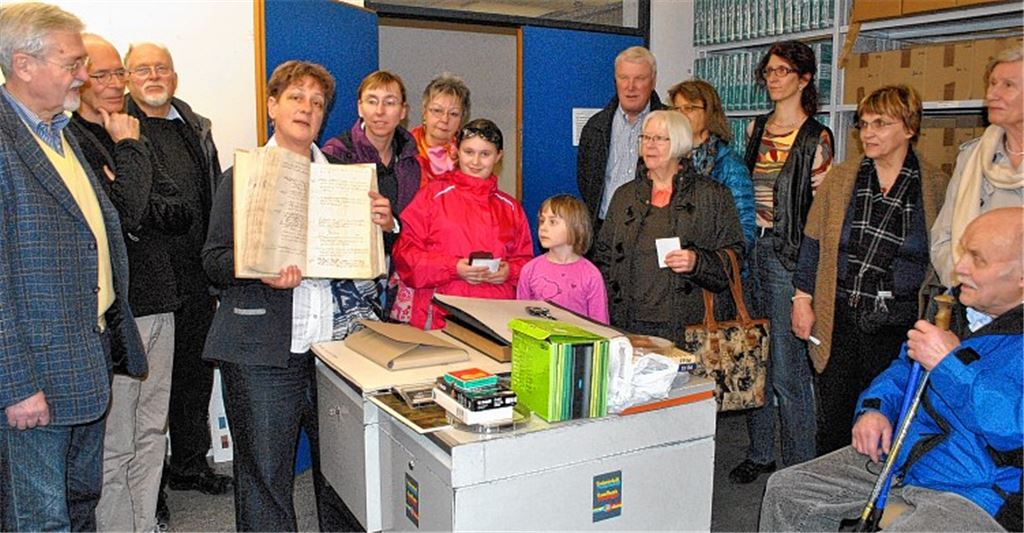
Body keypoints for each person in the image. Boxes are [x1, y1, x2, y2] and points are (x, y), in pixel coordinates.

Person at [760, 207, 1023, 532]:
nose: (959, 267)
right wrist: (876, 408)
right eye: (963, 251)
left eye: (978, 259)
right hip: (905, 454)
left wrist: (951, 365)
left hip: (977, 490)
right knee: (788, 490)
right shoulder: (952, 307)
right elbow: (904, 369)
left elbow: (1014, 426)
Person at [202, 60, 366, 532]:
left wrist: (381, 226)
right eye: (296, 97)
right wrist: (261, 272)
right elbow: (212, 261)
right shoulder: (243, 176)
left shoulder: (344, 180)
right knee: (266, 480)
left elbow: (368, 266)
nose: (307, 108)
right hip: (262, 351)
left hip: (335, 353)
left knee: (343, 476)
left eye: (317, 102)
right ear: (272, 105)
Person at [0, 3, 145, 530]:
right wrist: (14, 384)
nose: (84, 76)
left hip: (86, 359)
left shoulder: (57, 131)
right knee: (40, 519)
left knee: (80, 503)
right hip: (34, 376)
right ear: (23, 64)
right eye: (73, 63)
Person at [67, 33, 193, 532]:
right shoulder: (76, 139)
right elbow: (127, 212)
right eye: (103, 74)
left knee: (150, 433)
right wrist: (127, 155)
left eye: (119, 71)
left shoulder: (134, 132)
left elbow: (176, 210)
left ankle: (145, 525)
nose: (117, 83)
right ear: (79, 79)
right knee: (116, 443)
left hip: (161, 301)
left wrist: (131, 172)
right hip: (117, 314)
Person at [790, 85, 950, 455]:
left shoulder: (936, 185)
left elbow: (942, 259)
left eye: (881, 123)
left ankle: (873, 503)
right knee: (834, 419)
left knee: (887, 419)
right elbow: (812, 242)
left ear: (909, 127)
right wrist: (802, 298)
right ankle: (828, 498)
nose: (869, 133)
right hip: (842, 317)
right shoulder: (842, 178)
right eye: (863, 124)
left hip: (900, 325)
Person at [123, 42, 231, 508]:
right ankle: (151, 487)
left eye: (161, 68)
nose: (153, 76)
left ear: (175, 76)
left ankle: (190, 464)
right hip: (148, 284)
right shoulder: (118, 130)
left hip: (195, 274)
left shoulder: (196, 128)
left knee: (193, 378)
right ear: (127, 79)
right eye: (142, 69)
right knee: (148, 392)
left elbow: (212, 198)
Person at [731, 40, 834, 484]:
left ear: (804, 79)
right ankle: (759, 452)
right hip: (753, 247)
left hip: (787, 255)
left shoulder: (817, 137)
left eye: (783, 71)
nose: (773, 79)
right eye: (769, 72)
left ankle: (799, 471)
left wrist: (803, 283)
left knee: (788, 373)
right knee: (755, 357)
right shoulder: (755, 128)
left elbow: (821, 212)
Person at [593, 110, 744, 344]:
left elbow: (734, 259)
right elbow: (604, 257)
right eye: (645, 138)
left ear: (680, 144)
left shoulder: (713, 196)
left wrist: (698, 262)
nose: (650, 145)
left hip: (689, 327)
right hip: (629, 325)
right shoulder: (624, 196)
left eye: (660, 139)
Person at [392, 118, 534, 330]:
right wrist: (453, 268)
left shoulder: (511, 208)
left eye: (485, 154)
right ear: (456, 151)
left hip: (494, 318)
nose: (475, 161)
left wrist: (509, 272)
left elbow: (528, 264)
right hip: (440, 316)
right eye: (469, 152)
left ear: (499, 157)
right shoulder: (431, 197)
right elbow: (405, 256)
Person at [321, 70, 421, 327]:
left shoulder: (413, 161)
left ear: (403, 111)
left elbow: (416, 225)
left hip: (399, 276)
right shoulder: (336, 154)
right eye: (372, 101)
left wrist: (393, 226)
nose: (380, 111)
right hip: (348, 279)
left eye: (390, 102)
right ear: (359, 107)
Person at [930, 49, 1023, 289]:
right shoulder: (972, 157)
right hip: (971, 302)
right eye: (992, 83)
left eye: (1008, 85)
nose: (992, 94)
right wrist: (966, 283)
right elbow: (943, 238)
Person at [577, 45, 666, 231]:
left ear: (653, 81)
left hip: (651, 230)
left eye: (639, 78)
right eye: (624, 78)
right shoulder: (595, 127)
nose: (630, 86)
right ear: (615, 80)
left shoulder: (670, 126)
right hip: (604, 230)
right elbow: (586, 182)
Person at [668, 79, 756, 250]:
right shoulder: (669, 158)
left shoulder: (730, 164)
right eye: (677, 109)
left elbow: (744, 230)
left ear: (709, 112)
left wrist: (713, 261)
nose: (682, 114)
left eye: (690, 108)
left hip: (714, 265)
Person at [517, 194, 608, 323]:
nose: (543, 228)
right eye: (542, 221)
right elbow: (521, 317)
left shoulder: (591, 275)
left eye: (553, 222)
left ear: (575, 227)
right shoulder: (530, 270)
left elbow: (600, 323)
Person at [410, 73, 470, 185]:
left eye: (453, 114)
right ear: (424, 112)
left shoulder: (470, 156)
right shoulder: (404, 150)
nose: (445, 119)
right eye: (437, 111)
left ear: (462, 119)